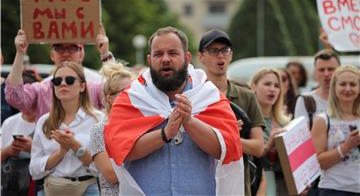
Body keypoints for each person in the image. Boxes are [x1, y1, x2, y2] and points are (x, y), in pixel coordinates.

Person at [104, 26, 244, 195]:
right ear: (149, 60)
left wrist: (190, 122)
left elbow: (227, 149)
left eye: (172, 53)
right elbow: (120, 151)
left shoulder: (209, 97)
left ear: (187, 58)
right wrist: (164, 134)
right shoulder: (132, 99)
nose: (165, 59)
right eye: (158, 54)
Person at [198, 29, 265, 196]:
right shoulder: (193, 96)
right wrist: (225, 136)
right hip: (202, 183)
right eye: (213, 51)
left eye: (224, 50)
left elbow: (258, 148)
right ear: (201, 57)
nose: (220, 56)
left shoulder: (247, 96)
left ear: (231, 55)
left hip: (238, 186)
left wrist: (231, 137)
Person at [5, 24, 112, 119]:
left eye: (72, 48)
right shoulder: (42, 88)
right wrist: (20, 53)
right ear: (52, 55)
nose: (65, 53)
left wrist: (105, 54)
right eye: (59, 48)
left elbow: (118, 95)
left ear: (81, 54)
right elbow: (15, 97)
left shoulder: (96, 84)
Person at [29, 61, 104, 196]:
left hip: (87, 189)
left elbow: (102, 169)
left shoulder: (98, 120)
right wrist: (60, 153)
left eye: (69, 80)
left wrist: (75, 146)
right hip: (52, 189)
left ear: (82, 87)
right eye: (57, 81)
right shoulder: (44, 122)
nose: (63, 84)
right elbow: (34, 170)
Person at [311, 65, 360, 195]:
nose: (348, 89)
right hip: (333, 189)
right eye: (343, 84)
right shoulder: (323, 120)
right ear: (334, 87)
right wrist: (346, 146)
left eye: (353, 84)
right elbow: (317, 162)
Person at [90, 60, 134, 195]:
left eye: (135, 90)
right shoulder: (99, 130)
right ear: (110, 98)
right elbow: (111, 175)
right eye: (125, 91)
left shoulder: (144, 125)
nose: (132, 95)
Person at [250, 68, 291, 196]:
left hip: (284, 186)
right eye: (267, 84)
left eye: (276, 86)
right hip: (257, 183)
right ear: (254, 87)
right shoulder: (247, 121)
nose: (272, 89)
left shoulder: (286, 122)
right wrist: (269, 145)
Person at [1, 69, 42, 196]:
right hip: (13, 185)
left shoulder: (46, 121)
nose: (23, 103)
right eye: (18, 98)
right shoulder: (9, 122)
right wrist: (8, 151)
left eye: (28, 97)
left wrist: (33, 149)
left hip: (39, 186)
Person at [294, 49, 341, 128]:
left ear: (339, 70)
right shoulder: (305, 100)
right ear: (315, 72)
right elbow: (301, 136)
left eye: (331, 69)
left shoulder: (351, 98)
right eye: (321, 70)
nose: (326, 74)